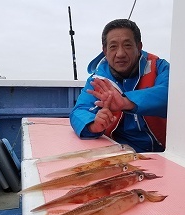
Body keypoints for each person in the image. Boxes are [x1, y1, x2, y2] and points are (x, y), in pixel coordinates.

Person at [69, 19, 170, 153]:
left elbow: (172, 94)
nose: (120, 53)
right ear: (105, 51)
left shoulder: (160, 67)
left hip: (166, 152)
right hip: (121, 155)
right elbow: (79, 111)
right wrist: (93, 124)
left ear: (139, 47)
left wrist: (126, 102)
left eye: (127, 45)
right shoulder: (97, 79)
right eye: (113, 47)